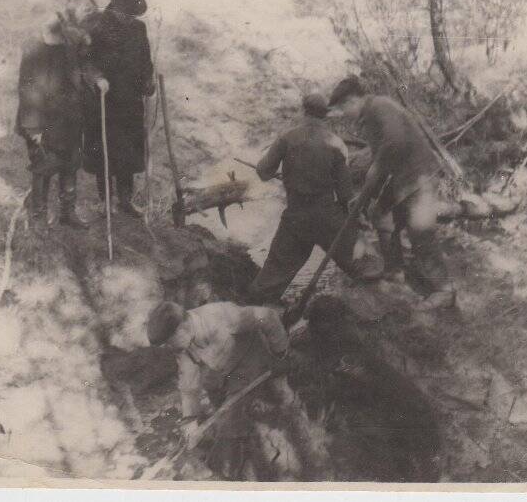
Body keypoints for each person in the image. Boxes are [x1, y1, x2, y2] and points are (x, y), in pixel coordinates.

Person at [146, 301, 324, 480]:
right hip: (227, 373)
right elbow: (189, 382)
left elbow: (267, 316)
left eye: (169, 341)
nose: (169, 347)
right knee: (231, 415)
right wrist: (190, 419)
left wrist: (280, 353)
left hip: (257, 361)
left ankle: (310, 450)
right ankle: (251, 444)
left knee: (281, 399)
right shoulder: (184, 344)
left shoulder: (220, 316)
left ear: (182, 327)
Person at [328, 75, 456, 310]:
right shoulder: (370, 116)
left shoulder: (380, 106)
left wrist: (374, 174)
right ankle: (394, 270)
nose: (344, 115)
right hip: (401, 178)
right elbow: (382, 156)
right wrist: (368, 192)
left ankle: (443, 290)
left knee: (420, 231)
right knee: (380, 213)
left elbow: (394, 142)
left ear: (351, 101)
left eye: (342, 109)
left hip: (419, 176)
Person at [247, 93, 384, 305]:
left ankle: (257, 315)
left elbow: (263, 172)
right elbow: (346, 194)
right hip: (328, 216)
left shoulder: (286, 138)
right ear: (325, 116)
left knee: (270, 279)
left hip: (295, 217)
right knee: (366, 267)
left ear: (304, 111)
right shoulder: (336, 144)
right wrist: (350, 225)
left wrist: (289, 172)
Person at [15, 0, 99, 230]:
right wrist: (33, 127)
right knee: (44, 167)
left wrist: (97, 79)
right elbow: (29, 89)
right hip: (44, 120)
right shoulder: (37, 45)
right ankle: (38, 217)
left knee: (70, 164)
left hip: (70, 117)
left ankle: (67, 213)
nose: (87, 21)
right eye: (85, 12)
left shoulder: (73, 40)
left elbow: (84, 66)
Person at [84, 0, 155, 218]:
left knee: (128, 152)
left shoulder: (138, 29)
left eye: (132, 12)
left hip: (131, 101)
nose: (129, 17)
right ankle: (106, 202)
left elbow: (146, 61)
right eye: (125, 11)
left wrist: (148, 81)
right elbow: (85, 60)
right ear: (115, 6)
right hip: (104, 101)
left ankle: (125, 201)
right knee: (104, 151)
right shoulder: (97, 26)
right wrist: (97, 78)